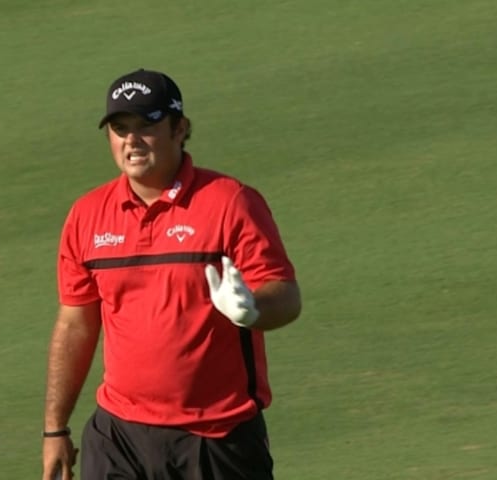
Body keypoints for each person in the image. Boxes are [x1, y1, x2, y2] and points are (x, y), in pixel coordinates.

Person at [41, 68, 302, 480]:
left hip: (216, 434)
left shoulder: (230, 202)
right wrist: (54, 429)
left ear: (180, 129)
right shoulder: (86, 216)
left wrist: (254, 309)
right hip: (119, 436)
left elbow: (286, 295)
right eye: (120, 128)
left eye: (147, 125)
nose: (131, 139)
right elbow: (75, 325)